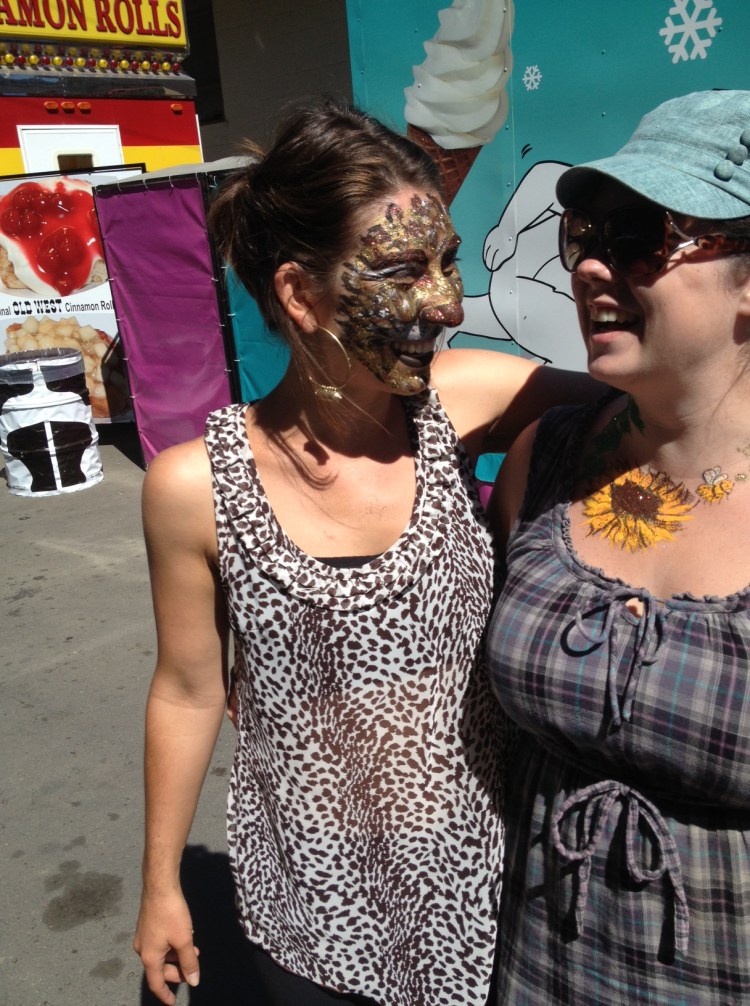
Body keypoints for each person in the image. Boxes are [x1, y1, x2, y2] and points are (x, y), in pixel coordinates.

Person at [132, 98, 597, 1006]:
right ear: (301, 294)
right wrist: (160, 887)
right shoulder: (193, 488)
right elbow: (186, 690)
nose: (446, 300)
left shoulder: (464, 404)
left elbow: (664, 404)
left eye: (448, 261)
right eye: (400, 269)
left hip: (490, 884)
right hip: (311, 910)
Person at [486, 89, 750, 1004]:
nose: (593, 265)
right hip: (539, 973)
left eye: (639, 234)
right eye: (582, 235)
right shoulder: (546, 462)